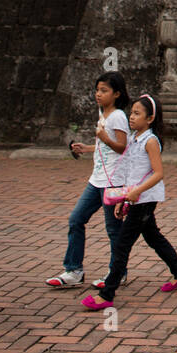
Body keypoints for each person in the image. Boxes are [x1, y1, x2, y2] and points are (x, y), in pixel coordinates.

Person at [80, 94, 177, 311]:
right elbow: (132, 170)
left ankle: (107, 293)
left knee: (122, 245)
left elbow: (158, 173)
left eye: (137, 114)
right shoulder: (134, 138)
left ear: (150, 119)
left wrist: (136, 193)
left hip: (145, 199)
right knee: (153, 236)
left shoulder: (150, 141)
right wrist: (124, 199)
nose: (131, 117)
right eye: (132, 112)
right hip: (136, 197)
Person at [45, 73, 131, 290]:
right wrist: (88, 147)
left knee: (113, 229)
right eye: (97, 90)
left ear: (117, 93)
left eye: (104, 91)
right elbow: (105, 146)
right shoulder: (104, 114)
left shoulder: (118, 116)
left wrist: (103, 139)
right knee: (76, 219)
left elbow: (122, 147)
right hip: (96, 181)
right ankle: (73, 270)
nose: (98, 95)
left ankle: (117, 272)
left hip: (113, 182)